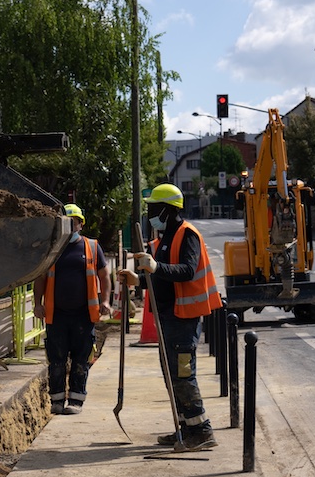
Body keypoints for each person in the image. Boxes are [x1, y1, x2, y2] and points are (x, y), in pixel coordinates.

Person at [119, 183, 223, 452]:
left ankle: (201, 431)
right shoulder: (164, 238)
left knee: (183, 375)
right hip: (169, 316)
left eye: (153, 207)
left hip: (184, 318)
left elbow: (187, 270)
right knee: (172, 375)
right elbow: (161, 279)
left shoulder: (188, 235)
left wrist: (156, 266)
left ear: (167, 210)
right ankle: (185, 428)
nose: (150, 212)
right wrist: (139, 279)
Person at [33, 203, 112, 415]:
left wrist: (105, 301)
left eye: (73, 222)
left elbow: (104, 277)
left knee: (80, 359)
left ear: (80, 224)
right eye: (65, 222)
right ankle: (56, 401)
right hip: (56, 316)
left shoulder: (92, 247)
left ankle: (76, 401)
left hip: (83, 316)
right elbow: (40, 278)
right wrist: (37, 304)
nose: (69, 226)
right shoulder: (52, 249)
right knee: (56, 361)